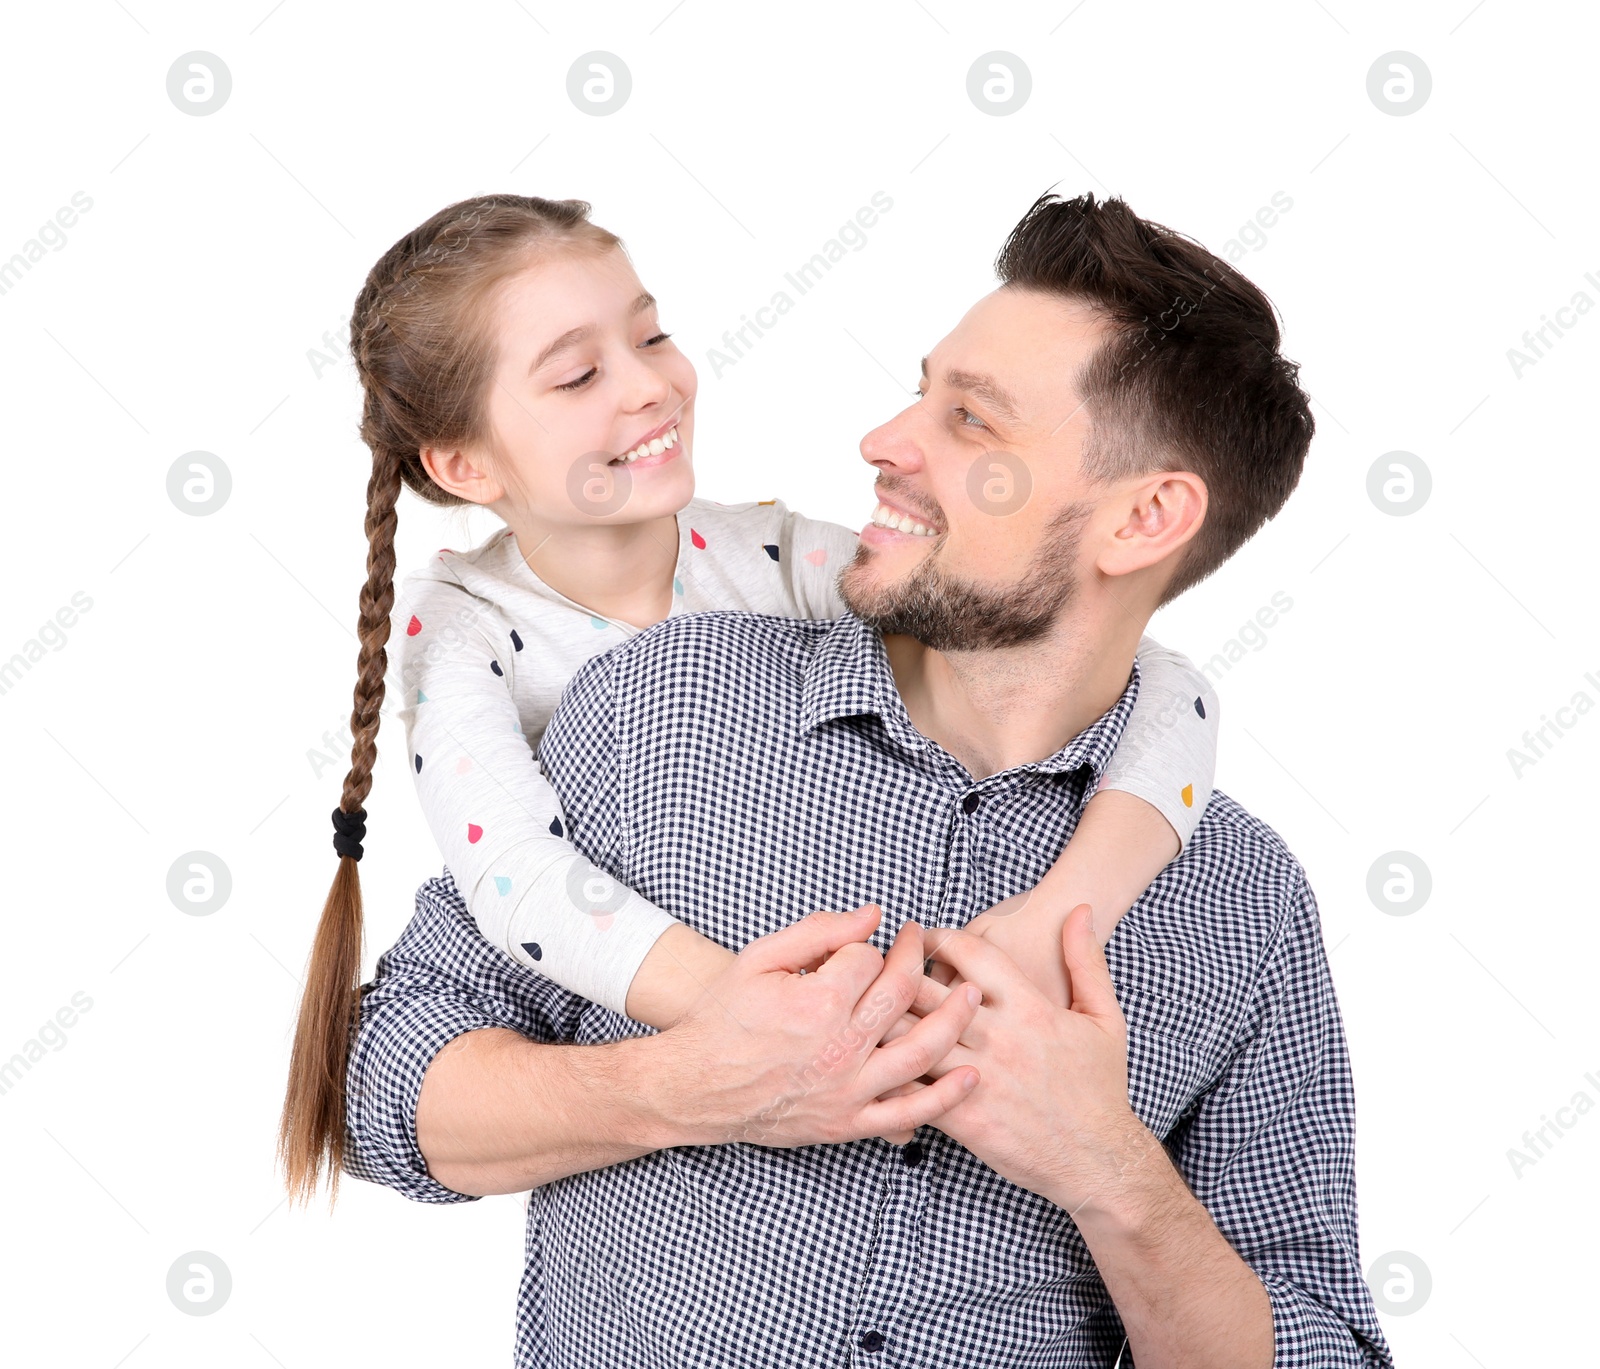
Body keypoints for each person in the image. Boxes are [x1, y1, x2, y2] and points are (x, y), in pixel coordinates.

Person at [340, 192, 1395, 1367]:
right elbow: (383, 1079)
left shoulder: (1239, 900)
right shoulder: (659, 702)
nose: (884, 441)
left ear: (1146, 517)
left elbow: (1325, 1346)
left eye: (970, 421)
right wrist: (688, 1081)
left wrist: (1113, 1176)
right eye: (920, 389)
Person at [278, 192, 1218, 1199]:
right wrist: (740, 1020)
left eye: (652, 334)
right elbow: (517, 876)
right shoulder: (459, 630)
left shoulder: (769, 554)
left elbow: (1170, 686)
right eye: (579, 373)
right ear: (465, 464)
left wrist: (1059, 912)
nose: (649, 386)